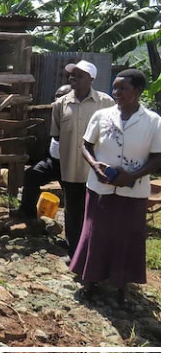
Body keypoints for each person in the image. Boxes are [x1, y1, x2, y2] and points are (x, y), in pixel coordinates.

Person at [71, 69, 161, 304]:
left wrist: (132, 176)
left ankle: (122, 286)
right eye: (115, 88)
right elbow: (86, 146)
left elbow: (158, 157)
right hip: (100, 187)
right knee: (96, 233)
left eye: (123, 88)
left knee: (126, 237)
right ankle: (90, 281)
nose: (117, 92)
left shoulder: (153, 121)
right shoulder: (102, 115)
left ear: (138, 92)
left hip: (134, 190)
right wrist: (95, 167)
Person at [50, 60, 114, 261]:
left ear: (91, 79)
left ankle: (93, 250)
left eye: (79, 75)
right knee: (72, 208)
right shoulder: (61, 104)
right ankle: (74, 249)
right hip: (70, 167)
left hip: (96, 169)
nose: (73, 79)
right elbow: (57, 134)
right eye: (72, 75)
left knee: (94, 210)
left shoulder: (106, 102)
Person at [16, 84, 73, 219]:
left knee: (72, 196)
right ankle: (26, 212)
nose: (58, 99)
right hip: (52, 161)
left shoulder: (76, 116)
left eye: (62, 97)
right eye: (57, 96)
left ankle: (73, 230)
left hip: (70, 164)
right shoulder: (53, 112)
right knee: (32, 174)